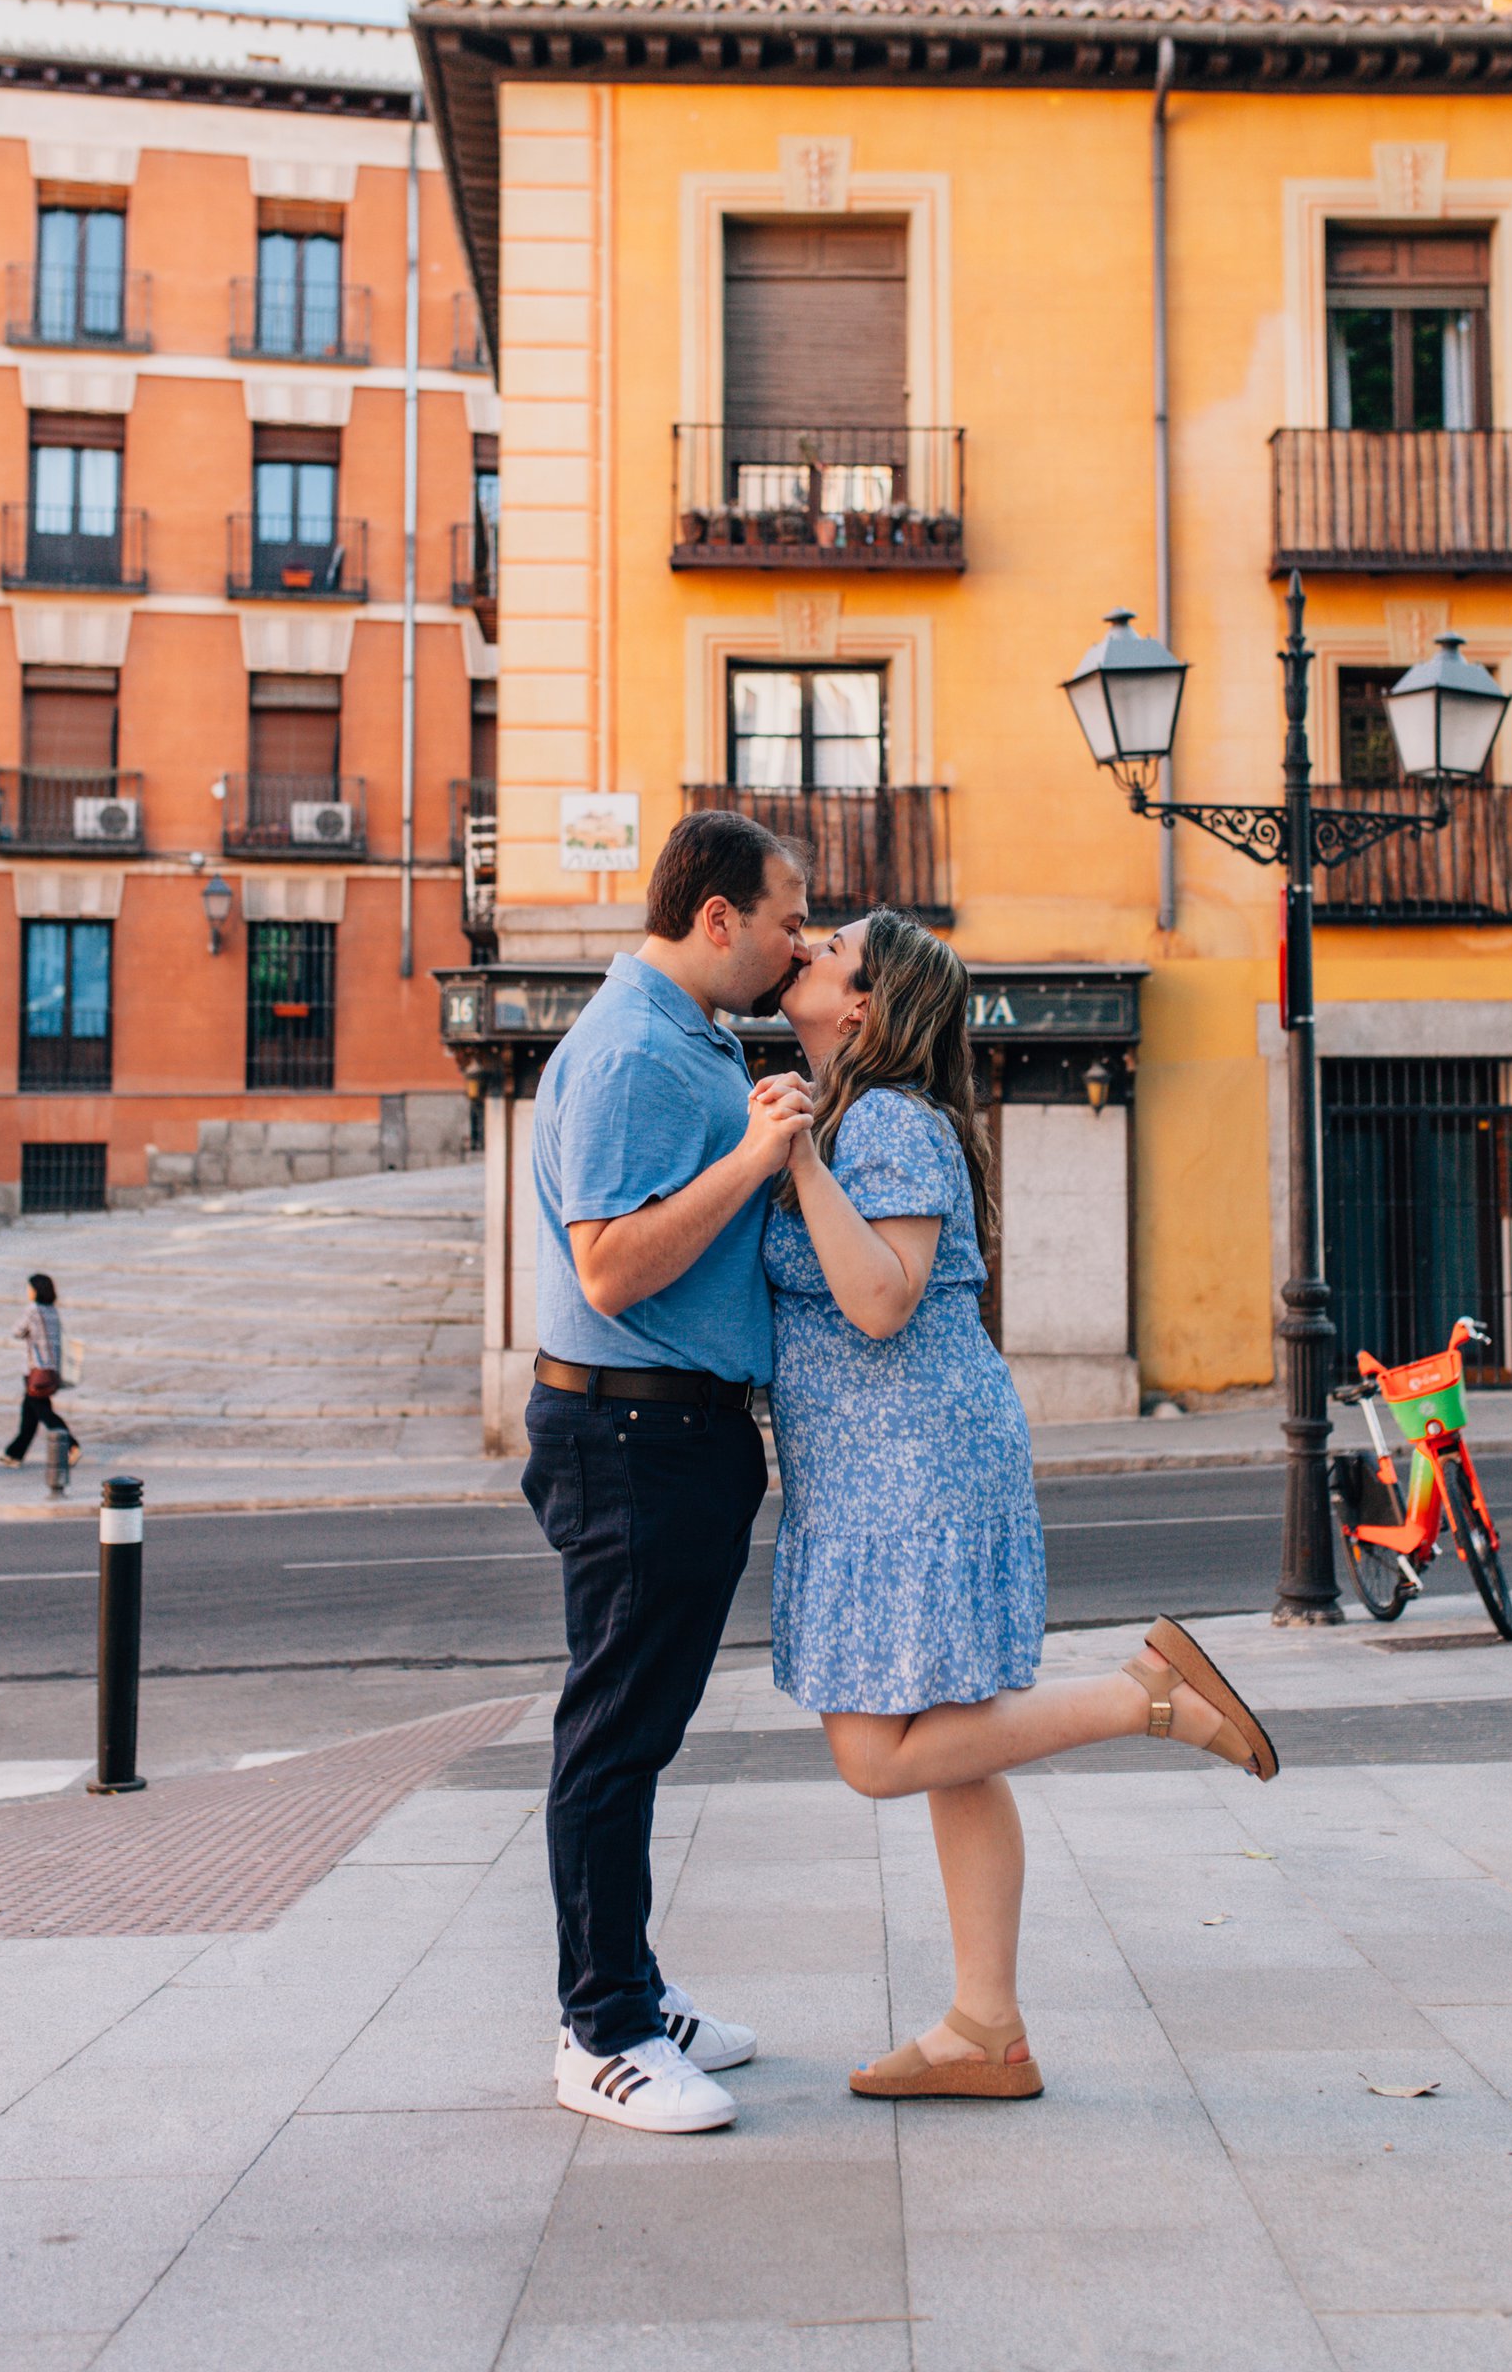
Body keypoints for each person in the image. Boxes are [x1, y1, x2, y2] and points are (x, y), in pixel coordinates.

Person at [760, 910, 1278, 2102]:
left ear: (863, 1006)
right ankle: (985, 2028)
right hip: (887, 1466)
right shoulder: (852, 1114)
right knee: (956, 1747)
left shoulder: (884, 1121)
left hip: (910, 1470)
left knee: (875, 1759)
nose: (808, 946)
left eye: (831, 948)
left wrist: (797, 1167)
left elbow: (881, 1301)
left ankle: (1145, 1696)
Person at [525, 808, 814, 2135]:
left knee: (637, 1732)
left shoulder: (691, 1035)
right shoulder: (636, 1049)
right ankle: (603, 2033)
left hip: (672, 1430)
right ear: (717, 918)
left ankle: (630, 1986)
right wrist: (756, 1157)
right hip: (631, 1435)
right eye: (787, 922)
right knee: (614, 1734)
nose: (797, 943)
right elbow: (608, 1265)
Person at [0, 1271, 79, 1470]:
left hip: (36, 1370)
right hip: (51, 1369)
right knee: (30, 1413)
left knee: (43, 1412)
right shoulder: (52, 1311)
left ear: (36, 1290)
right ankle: (14, 1454)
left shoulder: (33, 1310)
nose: (28, 1292)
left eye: (29, 1288)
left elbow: (17, 1331)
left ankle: (71, 1445)